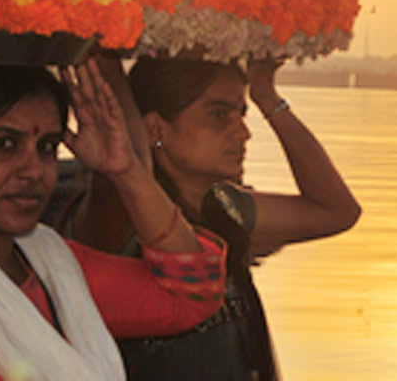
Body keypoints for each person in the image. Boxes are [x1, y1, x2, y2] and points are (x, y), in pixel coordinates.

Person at [0, 0, 226, 380]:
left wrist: (127, 171)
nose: (33, 170)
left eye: (47, 147)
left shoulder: (56, 270)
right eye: (4, 144)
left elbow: (192, 293)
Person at [62, 57, 362, 380]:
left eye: (241, 114)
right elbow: (127, 161)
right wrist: (101, 44)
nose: (243, 133)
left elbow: (336, 211)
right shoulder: (122, 211)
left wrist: (267, 97)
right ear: (155, 129)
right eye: (219, 115)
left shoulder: (225, 209)